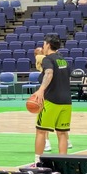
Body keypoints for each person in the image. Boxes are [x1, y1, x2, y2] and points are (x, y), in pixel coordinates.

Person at [33, 35, 71, 163]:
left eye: (44, 44)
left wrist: (41, 90)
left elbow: (49, 73)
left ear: (48, 45)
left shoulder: (47, 59)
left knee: (41, 131)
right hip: (66, 102)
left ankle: (38, 162)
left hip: (51, 100)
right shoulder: (63, 60)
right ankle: (63, 163)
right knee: (62, 133)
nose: (43, 47)